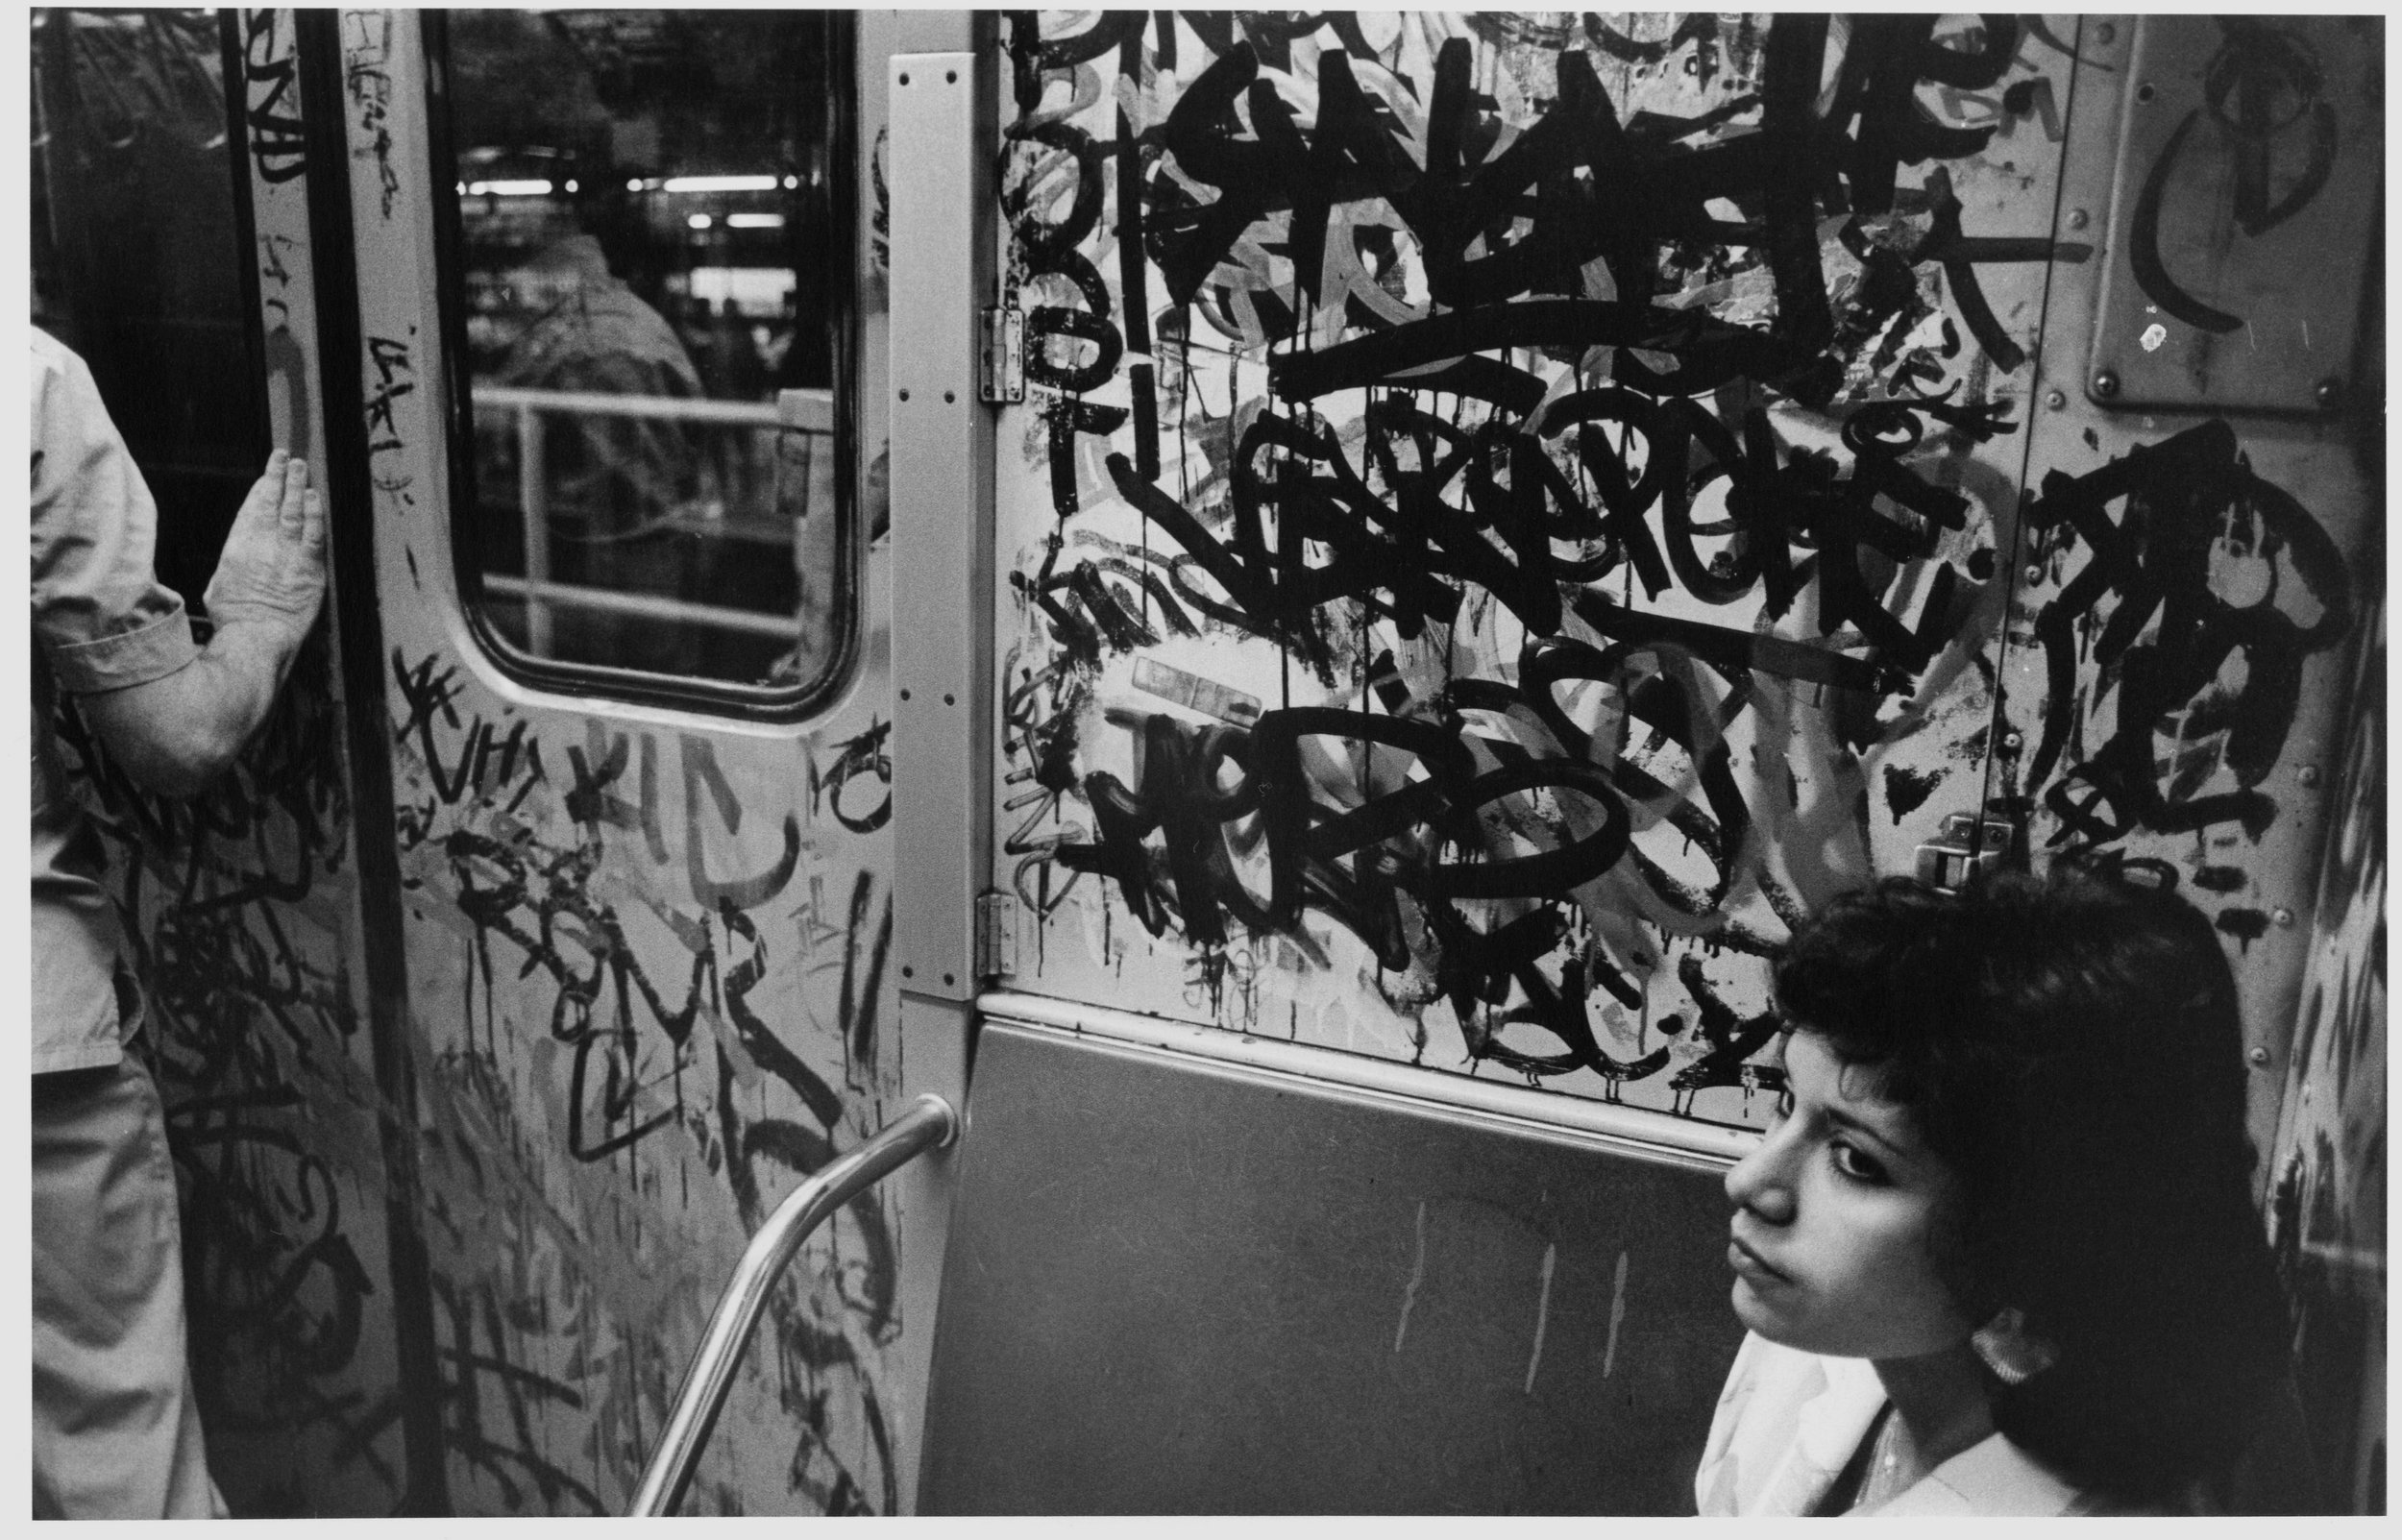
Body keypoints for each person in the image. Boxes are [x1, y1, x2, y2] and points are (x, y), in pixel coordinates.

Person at [1694, 865, 2307, 1516]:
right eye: (1786, 1102)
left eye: (1856, 1160)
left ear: (2029, 1244)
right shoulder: (1826, 1331)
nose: (1749, 1182)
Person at [31, 328, 327, 1517]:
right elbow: (177, 740)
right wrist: (255, 618)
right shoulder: (29, 380)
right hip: (30, 1052)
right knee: (112, 1454)